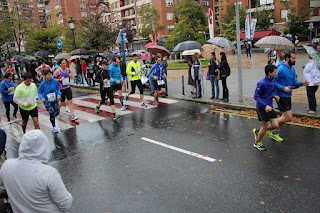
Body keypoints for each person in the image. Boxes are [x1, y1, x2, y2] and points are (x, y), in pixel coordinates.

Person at [0, 130, 73, 212]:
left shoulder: (7, 166)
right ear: (44, 147)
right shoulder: (48, 173)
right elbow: (66, 204)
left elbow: (3, 190)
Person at [266, 52, 309, 142]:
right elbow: (273, 81)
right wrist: (283, 88)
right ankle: (265, 129)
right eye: (293, 58)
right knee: (288, 117)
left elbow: (294, 82)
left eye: (295, 58)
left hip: (288, 95)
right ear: (287, 58)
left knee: (284, 117)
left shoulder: (292, 69)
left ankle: (275, 132)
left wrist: (301, 83)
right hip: (280, 95)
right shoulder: (281, 68)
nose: (295, 60)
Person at [252, 65, 280, 151]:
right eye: (275, 72)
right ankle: (257, 143)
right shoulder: (262, 83)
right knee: (265, 126)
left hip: (270, 107)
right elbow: (256, 96)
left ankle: (258, 131)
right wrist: (265, 106)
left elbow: (268, 93)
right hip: (262, 108)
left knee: (275, 125)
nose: (276, 73)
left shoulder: (273, 80)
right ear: (269, 73)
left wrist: (274, 96)